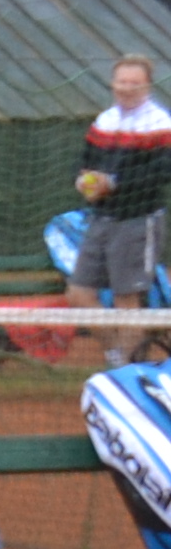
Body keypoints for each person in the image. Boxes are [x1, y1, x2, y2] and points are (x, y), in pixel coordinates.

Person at [72, 53, 170, 346]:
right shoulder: (105, 120)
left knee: (126, 300)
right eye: (122, 82)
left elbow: (162, 172)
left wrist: (113, 183)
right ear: (113, 84)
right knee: (78, 294)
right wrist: (82, 180)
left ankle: (125, 367)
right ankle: (118, 354)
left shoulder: (161, 123)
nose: (127, 88)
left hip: (138, 221)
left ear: (147, 86)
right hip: (100, 219)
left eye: (134, 83)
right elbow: (84, 161)